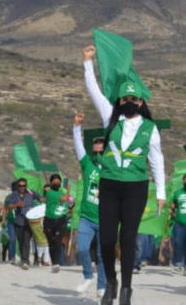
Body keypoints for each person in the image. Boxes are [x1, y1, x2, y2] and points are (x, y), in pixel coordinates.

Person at [83, 45, 166, 305]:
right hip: (109, 186)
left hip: (135, 188)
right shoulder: (111, 118)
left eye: (134, 100)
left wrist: (161, 193)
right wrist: (88, 62)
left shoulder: (150, 129)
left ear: (141, 103)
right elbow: (94, 91)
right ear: (120, 101)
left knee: (127, 238)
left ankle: (126, 288)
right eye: (125, 99)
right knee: (106, 240)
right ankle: (110, 281)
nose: (129, 103)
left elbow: (157, 160)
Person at [73, 111, 107, 297]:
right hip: (86, 216)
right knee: (82, 249)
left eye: (101, 148)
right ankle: (88, 276)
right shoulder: (88, 165)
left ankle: (101, 286)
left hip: (105, 218)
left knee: (103, 255)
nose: (97, 150)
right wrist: (76, 127)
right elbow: (78, 146)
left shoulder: (113, 168)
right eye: (95, 147)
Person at [5, 177, 43, 268]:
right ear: (17, 186)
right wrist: (16, 205)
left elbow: (40, 198)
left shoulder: (30, 192)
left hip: (29, 221)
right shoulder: (13, 195)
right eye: (20, 186)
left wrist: (45, 201)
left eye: (24, 186)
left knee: (27, 240)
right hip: (18, 221)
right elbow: (8, 206)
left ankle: (25, 261)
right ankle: (23, 259)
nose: (22, 187)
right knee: (21, 241)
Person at [43, 173, 70, 273]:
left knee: (58, 241)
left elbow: (68, 202)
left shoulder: (62, 193)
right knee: (51, 243)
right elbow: (64, 199)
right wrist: (68, 190)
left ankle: (56, 263)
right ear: (51, 183)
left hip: (61, 220)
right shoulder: (49, 192)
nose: (57, 183)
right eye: (54, 182)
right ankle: (54, 262)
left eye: (58, 182)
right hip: (49, 220)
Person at [0, 181, 18, 263]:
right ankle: (11, 257)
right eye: (14, 188)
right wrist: (3, 220)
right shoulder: (8, 197)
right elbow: (5, 209)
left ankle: (24, 258)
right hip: (11, 221)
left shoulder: (22, 197)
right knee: (12, 239)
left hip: (20, 221)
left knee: (21, 240)